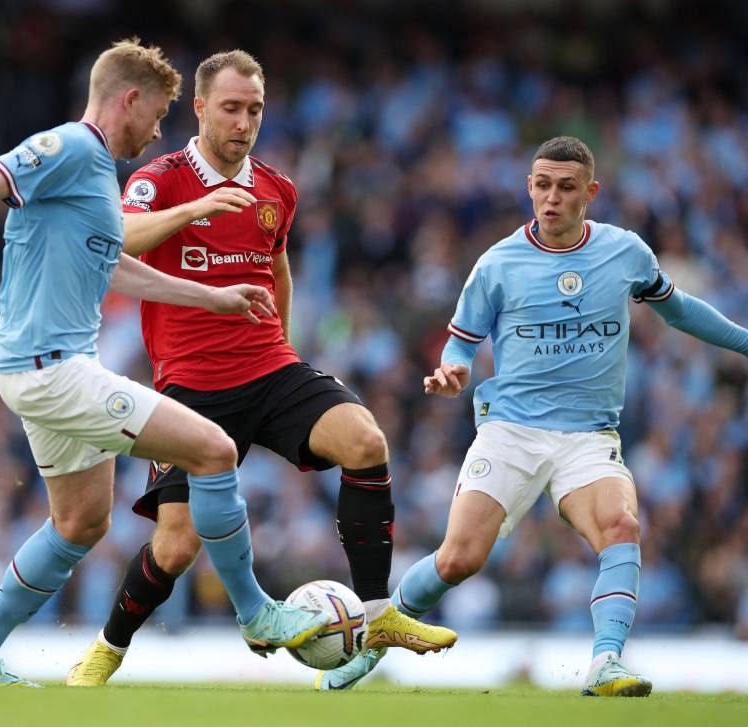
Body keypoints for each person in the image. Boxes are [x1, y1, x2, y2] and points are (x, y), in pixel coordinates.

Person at [0, 38, 330, 687]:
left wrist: (212, 297)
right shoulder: (72, 148)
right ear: (128, 99)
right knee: (215, 450)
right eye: (159, 113)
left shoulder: (93, 174)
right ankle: (258, 614)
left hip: (42, 368)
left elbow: (114, 266)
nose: (160, 129)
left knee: (81, 520)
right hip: (53, 369)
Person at [64, 49, 457, 689]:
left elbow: (276, 268)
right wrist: (197, 209)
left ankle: (379, 613)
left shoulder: (277, 189)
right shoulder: (160, 179)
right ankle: (108, 648)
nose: (244, 122)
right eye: (231, 108)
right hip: (190, 386)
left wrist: (286, 343)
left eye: (255, 110)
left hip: (269, 367)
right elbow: (120, 239)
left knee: (365, 440)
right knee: (176, 547)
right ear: (198, 108)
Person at [318, 135, 748, 695]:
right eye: (542, 185)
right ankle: (374, 644)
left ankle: (606, 663)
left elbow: (680, 311)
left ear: (590, 192)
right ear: (529, 187)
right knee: (457, 559)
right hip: (511, 432)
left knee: (621, 526)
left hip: (589, 436)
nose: (552, 198)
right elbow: (460, 343)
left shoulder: (627, 254)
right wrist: (453, 371)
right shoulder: (498, 264)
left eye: (566, 187)